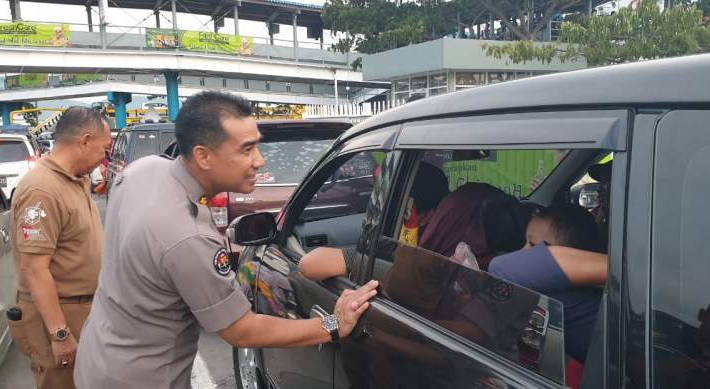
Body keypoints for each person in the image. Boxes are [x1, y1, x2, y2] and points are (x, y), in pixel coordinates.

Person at [74, 91, 378, 389]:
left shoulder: (143, 170)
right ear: (203, 156)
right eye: (247, 150)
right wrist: (332, 324)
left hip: (97, 355)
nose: (259, 161)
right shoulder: (186, 236)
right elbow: (241, 331)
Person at [8, 107, 110, 389]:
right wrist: (60, 334)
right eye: (104, 148)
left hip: (84, 309)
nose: (104, 157)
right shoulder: (42, 189)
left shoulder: (75, 179)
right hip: (61, 315)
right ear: (85, 141)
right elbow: (34, 269)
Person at [488, 203, 606, 362]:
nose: (522, 253)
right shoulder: (594, 301)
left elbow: (500, 268)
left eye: (534, 247)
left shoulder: (568, 300)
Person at [299, 162, 448, 281]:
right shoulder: (449, 250)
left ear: (426, 216)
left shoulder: (402, 250)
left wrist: (359, 260)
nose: (380, 208)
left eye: (389, 202)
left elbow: (309, 263)